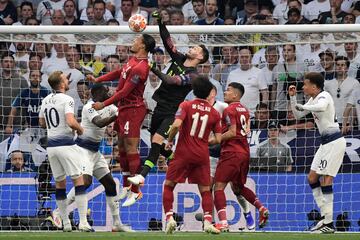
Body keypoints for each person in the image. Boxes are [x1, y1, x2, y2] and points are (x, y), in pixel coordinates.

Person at [127, 11, 209, 188]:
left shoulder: (193, 76)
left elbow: (172, 81)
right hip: (159, 107)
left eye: (196, 49)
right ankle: (177, 161)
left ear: (200, 57)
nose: (192, 48)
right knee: (161, 147)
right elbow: (167, 41)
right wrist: (159, 21)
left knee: (156, 141)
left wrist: (154, 69)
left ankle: (141, 176)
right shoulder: (178, 58)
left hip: (172, 112)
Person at [52, 84, 133, 232]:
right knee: (85, 182)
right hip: (82, 150)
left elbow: (123, 111)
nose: (109, 91)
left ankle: (117, 223)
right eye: (105, 90)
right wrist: (117, 115)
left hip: (95, 152)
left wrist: (136, 111)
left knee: (110, 184)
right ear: (97, 93)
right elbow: (99, 122)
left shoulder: (110, 106)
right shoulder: (88, 107)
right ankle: (58, 211)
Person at [87, 34, 156, 207]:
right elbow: (119, 72)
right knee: (122, 147)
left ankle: (136, 191)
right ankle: (126, 186)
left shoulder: (142, 67)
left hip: (133, 109)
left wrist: (103, 104)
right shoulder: (132, 60)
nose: (132, 42)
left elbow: (124, 92)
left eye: (136, 40)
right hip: (124, 109)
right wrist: (98, 78)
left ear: (143, 46)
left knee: (131, 147)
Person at [162, 76, 221, 234]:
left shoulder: (186, 105)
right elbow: (218, 139)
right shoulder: (215, 113)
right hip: (202, 155)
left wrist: (168, 140)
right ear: (209, 93)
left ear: (193, 91)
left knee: (168, 186)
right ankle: (208, 221)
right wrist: (203, 142)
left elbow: (176, 125)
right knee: (205, 190)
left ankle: (170, 218)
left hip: (182, 153)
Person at [289, 72, 346, 233]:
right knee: (312, 177)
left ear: (314, 86)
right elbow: (298, 114)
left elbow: (320, 108)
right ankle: (324, 217)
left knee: (327, 180)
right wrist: (294, 99)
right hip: (325, 143)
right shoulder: (312, 99)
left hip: (334, 141)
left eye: (305, 84)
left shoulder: (324, 96)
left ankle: (328, 223)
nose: (303, 87)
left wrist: (304, 106)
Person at [39, 71, 92, 232]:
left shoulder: (46, 99)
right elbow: (70, 121)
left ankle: (65, 223)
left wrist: (53, 128)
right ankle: (83, 222)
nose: (68, 80)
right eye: (65, 79)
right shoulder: (68, 99)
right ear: (61, 84)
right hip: (66, 145)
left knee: (60, 184)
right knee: (79, 181)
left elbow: (41, 122)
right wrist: (80, 128)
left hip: (52, 147)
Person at [213, 82, 269, 232]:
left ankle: (224, 222)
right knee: (238, 187)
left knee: (218, 187)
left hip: (231, 152)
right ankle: (261, 208)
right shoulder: (244, 110)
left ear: (236, 95)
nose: (225, 92)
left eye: (228, 90)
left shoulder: (229, 110)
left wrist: (215, 139)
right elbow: (247, 130)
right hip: (244, 152)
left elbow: (232, 132)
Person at [5, 70, 51, 134]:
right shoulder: (24, 93)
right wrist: (8, 126)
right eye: (33, 76)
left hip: (45, 128)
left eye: (37, 76)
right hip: (30, 128)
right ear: (29, 78)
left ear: (40, 79)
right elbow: (14, 109)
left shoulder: (46, 92)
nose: (35, 77)